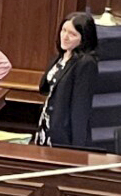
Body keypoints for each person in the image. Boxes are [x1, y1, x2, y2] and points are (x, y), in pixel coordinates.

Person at [35, 11, 99, 149]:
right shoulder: (61, 57)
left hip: (64, 134)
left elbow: (80, 107)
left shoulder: (86, 63)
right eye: (63, 30)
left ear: (84, 38)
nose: (65, 37)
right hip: (47, 125)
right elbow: (45, 87)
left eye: (72, 34)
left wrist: (77, 147)